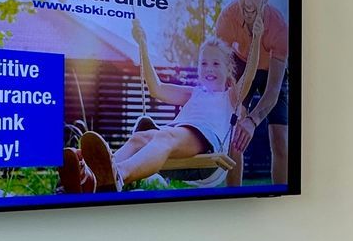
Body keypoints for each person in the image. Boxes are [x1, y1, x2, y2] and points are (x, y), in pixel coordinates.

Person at [62, 13, 260, 193]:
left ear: (228, 70)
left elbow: (249, 76)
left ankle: (118, 174)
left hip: (208, 148)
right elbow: (156, 88)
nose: (209, 69)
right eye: (204, 63)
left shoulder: (230, 97)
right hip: (177, 138)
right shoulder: (193, 93)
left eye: (216, 64)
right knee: (140, 138)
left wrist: (257, 39)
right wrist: (143, 45)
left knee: (165, 135)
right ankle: (89, 178)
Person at [214, 0, 291, 185]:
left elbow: (273, 90)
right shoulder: (226, 19)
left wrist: (253, 120)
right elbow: (225, 70)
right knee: (235, 132)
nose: (247, 3)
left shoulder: (279, 27)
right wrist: (237, 113)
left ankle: (280, 195)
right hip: (241, 65)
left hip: (269, 72)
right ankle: (233, 197)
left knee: (281, 140)